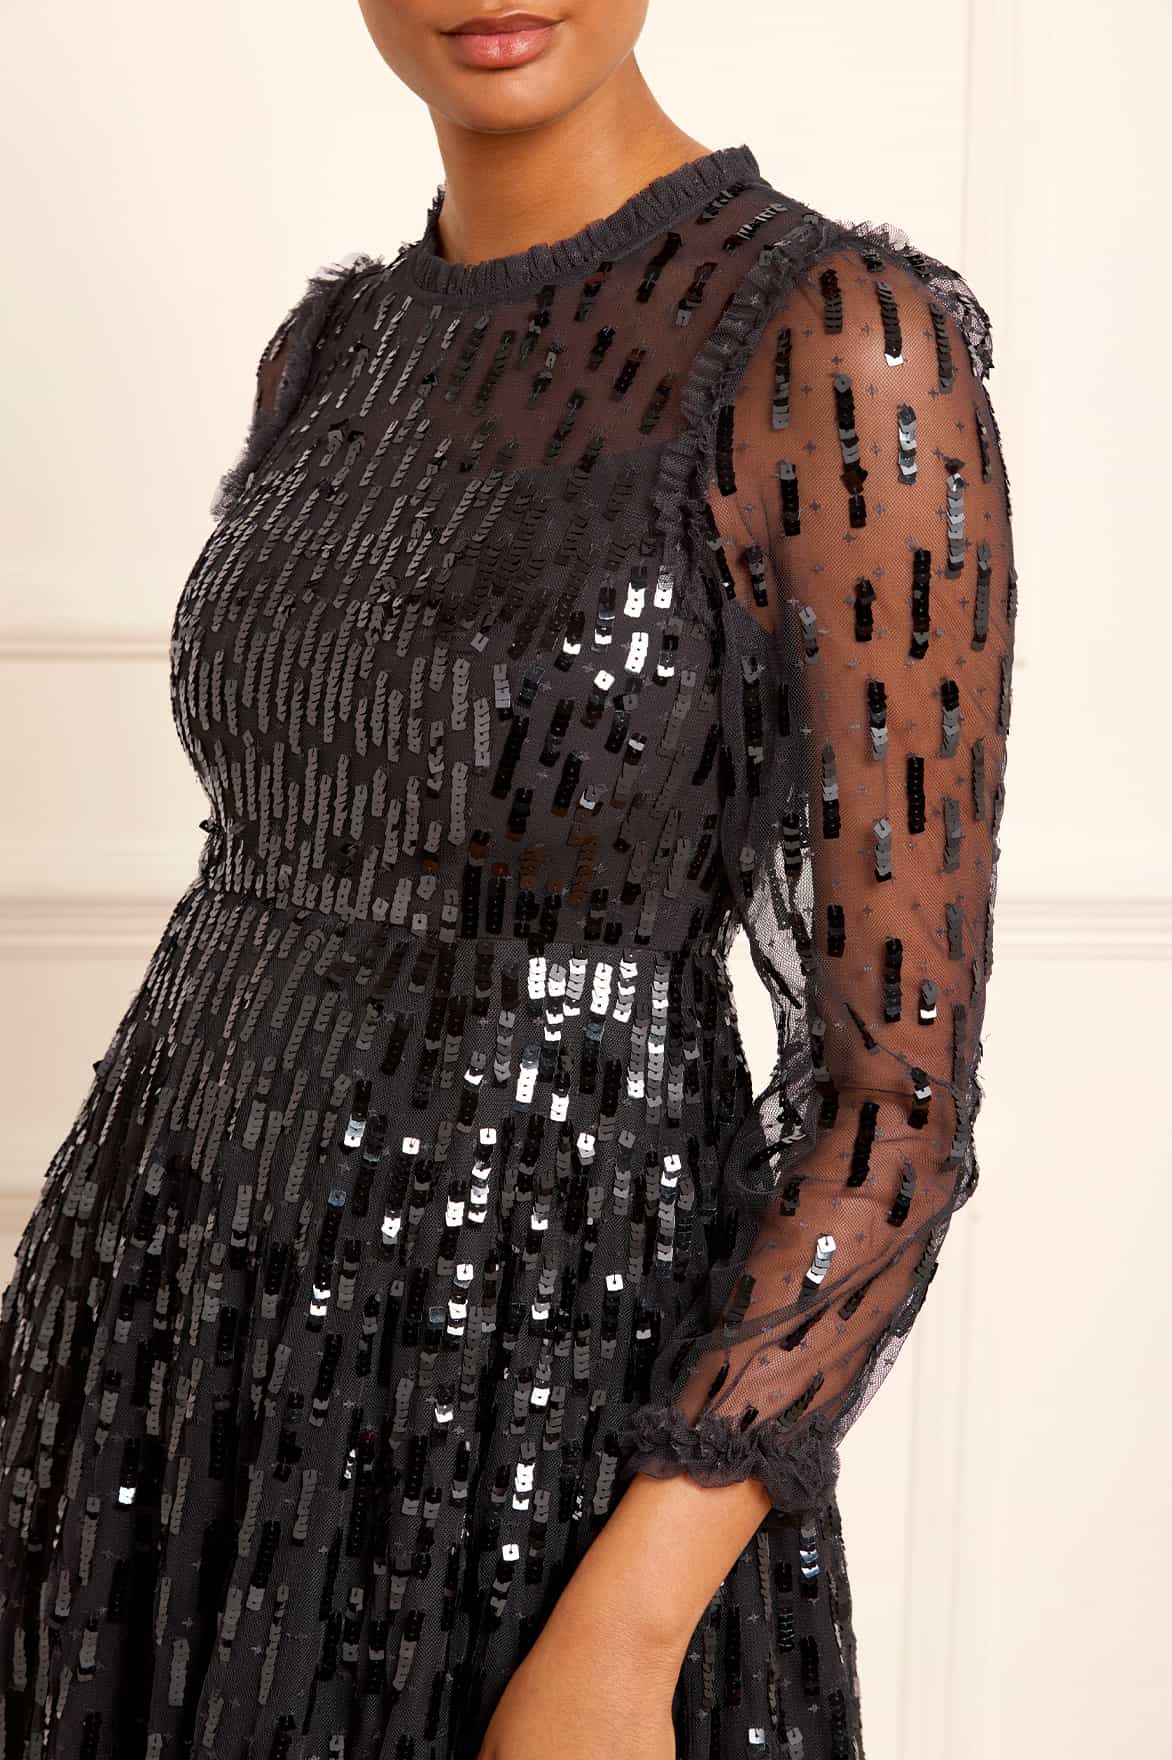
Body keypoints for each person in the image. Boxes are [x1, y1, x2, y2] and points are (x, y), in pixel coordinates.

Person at [0, 3, 1017, 1757]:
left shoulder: (837, 343)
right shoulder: (334, 347)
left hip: (547, 1427)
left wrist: (632, 1623)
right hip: (157, 1367)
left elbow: (897, 1108)